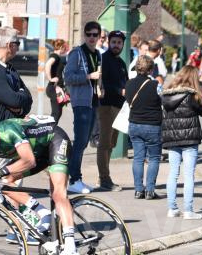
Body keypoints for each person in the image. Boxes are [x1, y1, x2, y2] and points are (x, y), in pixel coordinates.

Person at [0, 101, 80, 255]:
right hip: (38, 152)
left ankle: (71, 248)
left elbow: (29, 161)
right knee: (0, 182)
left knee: (58, 193)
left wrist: (2, 170)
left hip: (55, 141)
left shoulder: (7, 130)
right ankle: (43, 213)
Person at [161, 65, 202, 219]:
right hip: (190, 139)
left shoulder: (167, 95)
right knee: (188, 175)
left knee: (173, 174)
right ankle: (188, 210)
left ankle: (171, 208)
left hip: (172, 139)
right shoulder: (193, 96)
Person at [63, 21, 103, 194]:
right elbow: (68, 77)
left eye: (95, 34)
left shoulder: (98, 54)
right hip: (81, 102)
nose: (92, 38)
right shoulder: (77, 53)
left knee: (85, 142)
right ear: (84, 35)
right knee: (80, 142)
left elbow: (98, 77)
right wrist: (88, 76)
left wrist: (100, 86)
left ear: (100, 36)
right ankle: (74, 180)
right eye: (89, 34)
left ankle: (78, 179)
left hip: (93, 101)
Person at [0, 26, 33, 123]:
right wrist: (21, 94)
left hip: (13, 127)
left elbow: (29, 98)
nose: (18, 48)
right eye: (18, 44)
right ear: (9, 46)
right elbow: (15, 101)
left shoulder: (10, 68)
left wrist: (20, 110)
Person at [126, 55, 163, 199]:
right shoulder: (156, 85)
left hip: (134, 124)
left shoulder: (128, 84)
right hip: (153, 125)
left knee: (138, 158)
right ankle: (150, 191)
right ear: (151, 69)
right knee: (153, 158)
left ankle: (138, 190)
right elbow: (163, 101)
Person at [96, 30, 128, 191]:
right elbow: (103, 83)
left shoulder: (121, 63)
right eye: (114, 42)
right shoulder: (104, 59)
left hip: (119, 107)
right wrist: (119, 90)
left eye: (119, 43)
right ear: (109, 42)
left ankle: (104, 176)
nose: (116, 45)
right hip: (106, 105)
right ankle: (104, 179)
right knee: (104, 143)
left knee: (112, 143)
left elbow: (125, 82)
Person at [45, 39, 69, 123]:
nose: (66, 49)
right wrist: (50, 78)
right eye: (65, 47)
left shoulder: (57, 57)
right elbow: (48, 64)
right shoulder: (55, 56)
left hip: (57, 89)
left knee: (58, 112)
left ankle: (51, 130)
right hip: (54, 88)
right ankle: (49, 131)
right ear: (61, 47)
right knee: (56, 113)